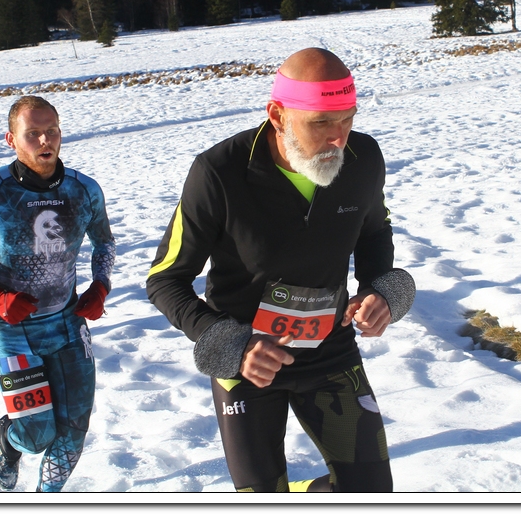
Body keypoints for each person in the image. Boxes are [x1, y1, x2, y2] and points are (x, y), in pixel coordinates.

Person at [147, 47, 415, 493]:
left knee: (370, 493)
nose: (338, 138)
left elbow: (373, 232)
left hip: (330, 351)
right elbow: (165, 279)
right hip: (247, 362)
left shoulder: (363, 157)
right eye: (321, 123)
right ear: (277, 115)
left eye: (347, 119)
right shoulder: (219, 172)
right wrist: (232, 344)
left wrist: (378, 289)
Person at [0, 95, 115, 493]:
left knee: (73, 432)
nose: (45, 140)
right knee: (35, 435)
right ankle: (8, 440)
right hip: (12, 331)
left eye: (52, 131)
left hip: (68, 325)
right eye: (32, 133)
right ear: (11, 139)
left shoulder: (84, 189)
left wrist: (101, 285)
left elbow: (104, 243)